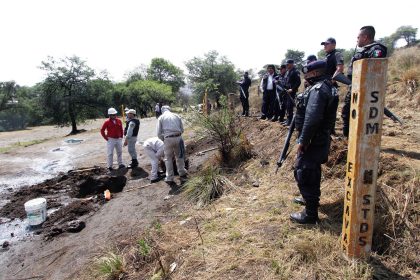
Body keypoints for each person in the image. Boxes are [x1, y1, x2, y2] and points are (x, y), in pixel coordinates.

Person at [290, 60, 338, 224]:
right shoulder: (327, 86)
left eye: (308, 73)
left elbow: (312, 118)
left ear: (315, 73)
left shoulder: (318, 89)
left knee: (304, 171)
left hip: (313, 139)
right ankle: (309, 200)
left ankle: (310, 214)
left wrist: (303, 140)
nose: (305, 76)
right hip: (319, 137)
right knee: (311, 170)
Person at [342, 26, 387, 137]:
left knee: (360, 115)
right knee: (347, 113)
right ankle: (348, 139)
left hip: (365, 90)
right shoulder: (364, 49)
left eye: (358, 37)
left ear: (365, 37)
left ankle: (353, 139)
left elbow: (375, 68)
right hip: (355, 88)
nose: (356, 39)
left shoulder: (376, 49)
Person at [156, 105, 187, 183]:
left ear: (162, 111)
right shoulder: (176, 116)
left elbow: (159, 133)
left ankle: (169, 177)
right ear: (169, 109)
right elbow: (182, 129)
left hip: (168, 138)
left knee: (168, 158)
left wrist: (164, 139)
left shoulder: (161, 118)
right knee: (179, 156)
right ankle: (182, 172)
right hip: (178, 137)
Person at [321, 38, 344, 135]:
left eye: (327, 44)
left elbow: (340, 68)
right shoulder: (327, 56)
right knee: (324, 108)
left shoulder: (337, 54)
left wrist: (332, 81)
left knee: (330, 109)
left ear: (334, 45)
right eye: (324, 44)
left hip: (330, 86)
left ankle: (330, 130)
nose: (324, 46)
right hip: (323, 85)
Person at [283, 59, 301, 126]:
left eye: (288, 64)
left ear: (292, 64)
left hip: (291, 92)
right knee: (287, 106)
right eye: (286, 64)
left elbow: (298, 82)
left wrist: (292, 89)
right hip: (286, 91)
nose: (287, 65)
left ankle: (290, 121)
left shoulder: (296, 72)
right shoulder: (287, 72)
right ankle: (288, 119)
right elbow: (286, 81)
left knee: (290, 106)